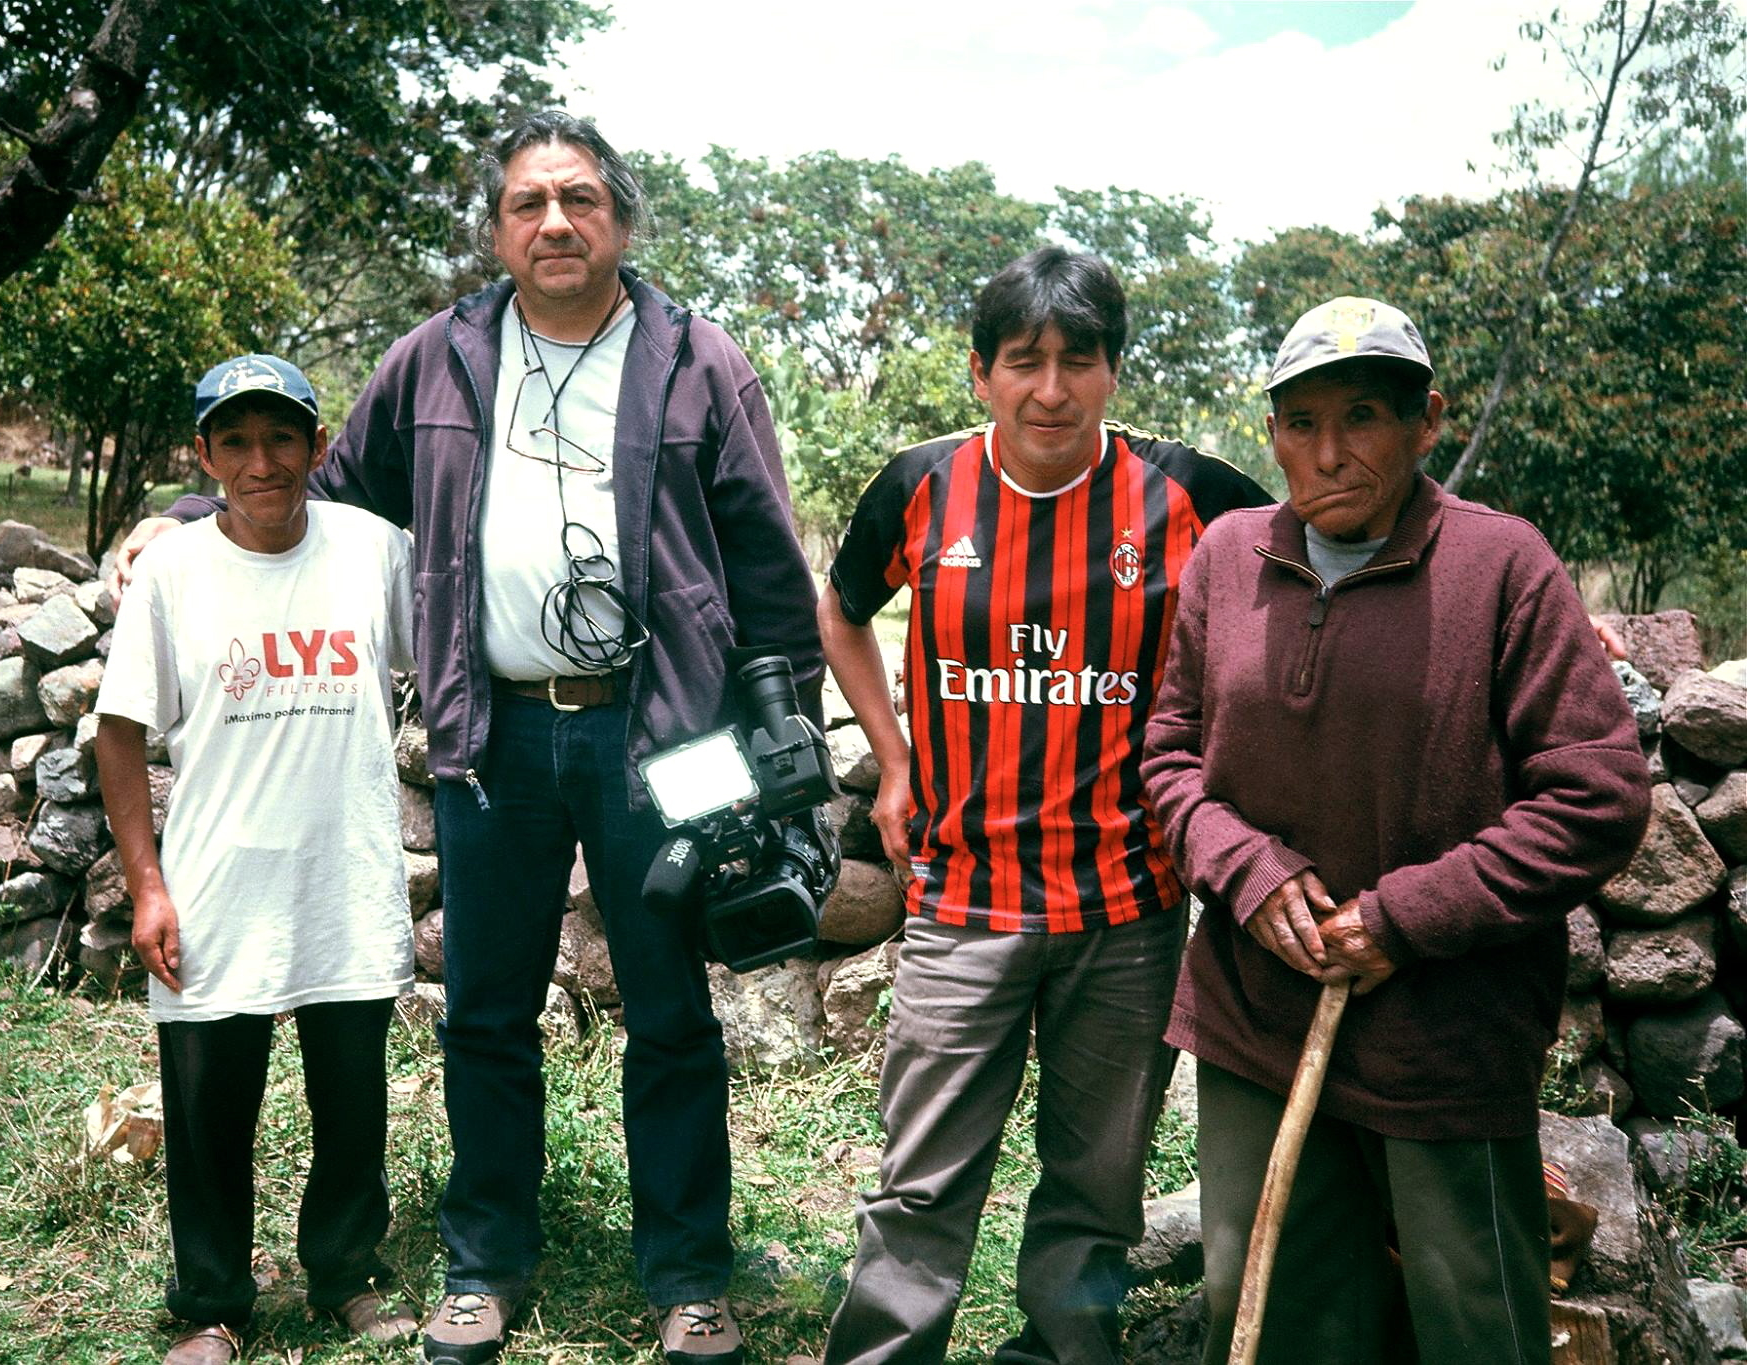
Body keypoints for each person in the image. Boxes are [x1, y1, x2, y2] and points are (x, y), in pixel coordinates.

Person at [110, 112, 821, 1365]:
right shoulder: (434, 363)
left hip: (660, 736)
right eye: (526, 202)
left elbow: (767, 568)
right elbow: (312, 493)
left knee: (668, 1011)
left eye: (580, 199)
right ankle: (483, 1263)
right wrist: (179, 520)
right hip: (496, 731)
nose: (554, 221)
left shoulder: (697, 360)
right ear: (494, 231)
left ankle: (688, 1278)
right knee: (486, 1011)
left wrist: (781, 741)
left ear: (619, 218)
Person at [1141, 296, 1652, 1364]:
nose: (1327, 453)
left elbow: (1593, 793)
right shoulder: (1227, 558)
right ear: (1270, 432)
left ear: (1425, 422)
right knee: (1271, 1300)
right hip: (1256, 1008)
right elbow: (1169, 758)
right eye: (1299, 423)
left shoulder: (1500, 566)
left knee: (1473, 1314)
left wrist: (1402, 918)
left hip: (1443, 1028)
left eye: (1362, 416)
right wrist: (1246, 873)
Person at [816, 247, 1272, 1365]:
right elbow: (837, 613)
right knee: (921, 1175)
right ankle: (883, 1351)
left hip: (1127, 904)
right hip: (963, 900)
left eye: (1079, 361)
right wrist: (896, 757)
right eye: (1023, 362)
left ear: (1114, 371)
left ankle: (1063, 1350)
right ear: (980, 373)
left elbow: (1317, 543)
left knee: (1096, 1177)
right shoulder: (920, 485)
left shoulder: (1189, 493)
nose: (1051, 390)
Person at [94, 354, 419, 1365]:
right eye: (234, 441)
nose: (261, 460)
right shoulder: (174, 572)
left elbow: (431, 665)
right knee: (207, 1109)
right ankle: (210, 1304)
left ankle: (345, 1272)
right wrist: (147, 886)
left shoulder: (373, 551)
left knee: (350, 1092)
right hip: (216, 879)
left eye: (281, 437)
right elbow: (119, 734)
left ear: (319, 447)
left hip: (345, 872)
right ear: (204, 456)